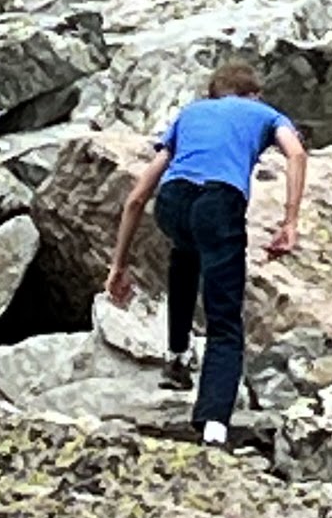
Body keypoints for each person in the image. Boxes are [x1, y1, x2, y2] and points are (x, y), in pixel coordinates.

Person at [106, 60, 309, 446]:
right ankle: (214, 424)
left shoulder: (190, 114)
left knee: (185, 252)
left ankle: (177, 356)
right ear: (255, 94)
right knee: (224, 319)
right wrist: (290, 221)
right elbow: (295, 154)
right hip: (219, 202)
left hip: (172, 201)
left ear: (213, 94)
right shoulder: (266, 113)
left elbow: (136, 198)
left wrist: (118, 265)